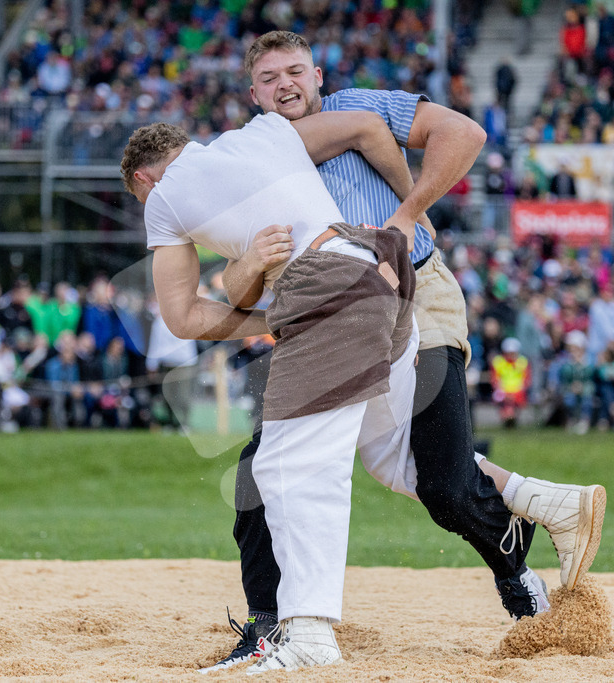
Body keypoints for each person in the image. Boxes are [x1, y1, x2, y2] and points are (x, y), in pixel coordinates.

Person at [203, 31, 607, 672]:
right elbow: (233, 282)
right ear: (253, 94)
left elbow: (466, 135)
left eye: (296, 71)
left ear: (317, 76)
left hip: (419, 295)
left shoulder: (361, 104)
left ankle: (515, 567)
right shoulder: (253, 159)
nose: (286, 84)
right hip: (334, 325)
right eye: (271, 76)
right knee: (264, 469)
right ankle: (267, 624)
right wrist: (250, 265)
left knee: (443, 484)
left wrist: (406, 212)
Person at [123, 108, 422, 673]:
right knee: (395, 455)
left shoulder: (162, 197)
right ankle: (539, 501)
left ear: (144, 178)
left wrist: (269, 321)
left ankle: (309, 636)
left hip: (323, 287)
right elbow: (371, 129)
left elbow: (183, 317)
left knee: (287, 464)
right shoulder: (265, 131)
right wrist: (413, 211)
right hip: (381, 266)